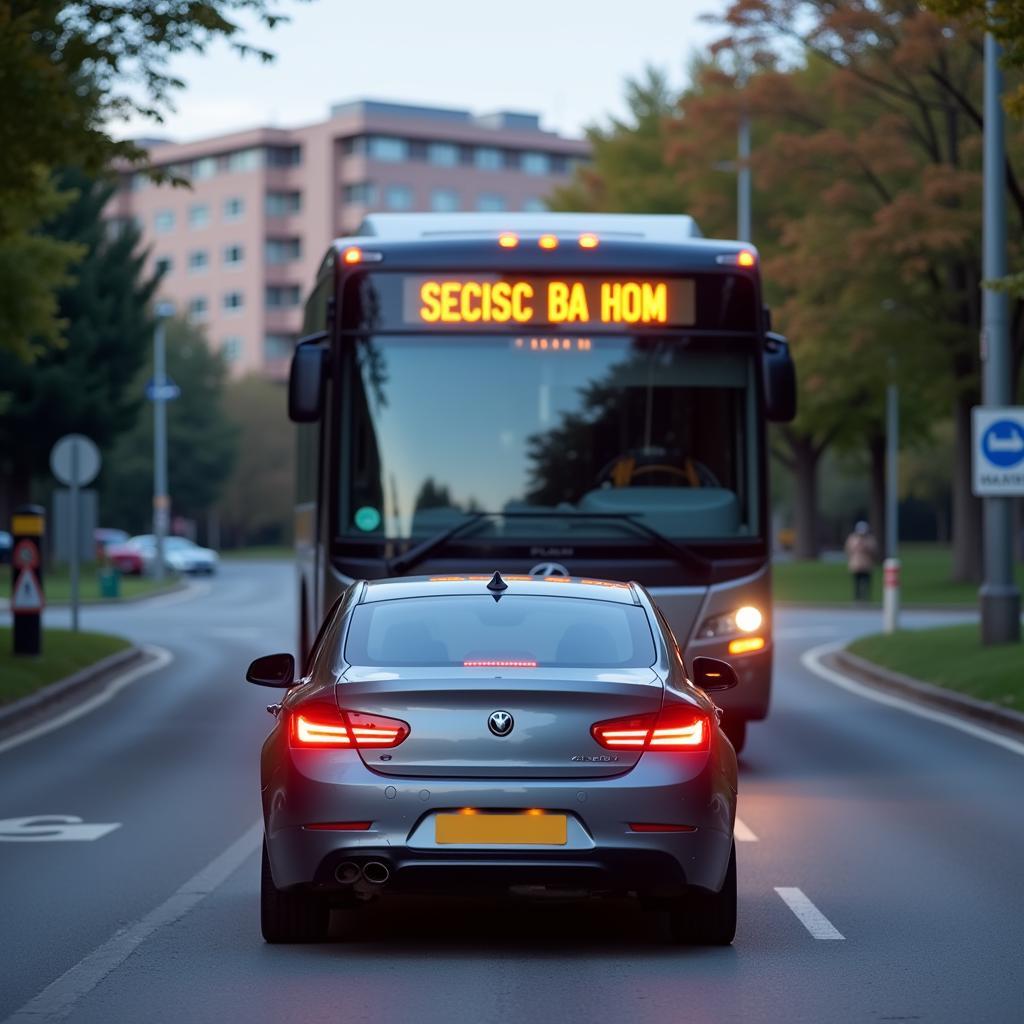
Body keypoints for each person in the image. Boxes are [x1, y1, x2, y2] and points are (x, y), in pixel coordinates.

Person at [844, 521, 878, 602]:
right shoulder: (852, 538)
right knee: (857, 582)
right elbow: (848, 549)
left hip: (867, 564)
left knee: (866, 582)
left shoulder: (870, 539)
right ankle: (857, 598)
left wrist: (865, 547)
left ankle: (866, 598)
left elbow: (874, 550)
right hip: (856, 564)